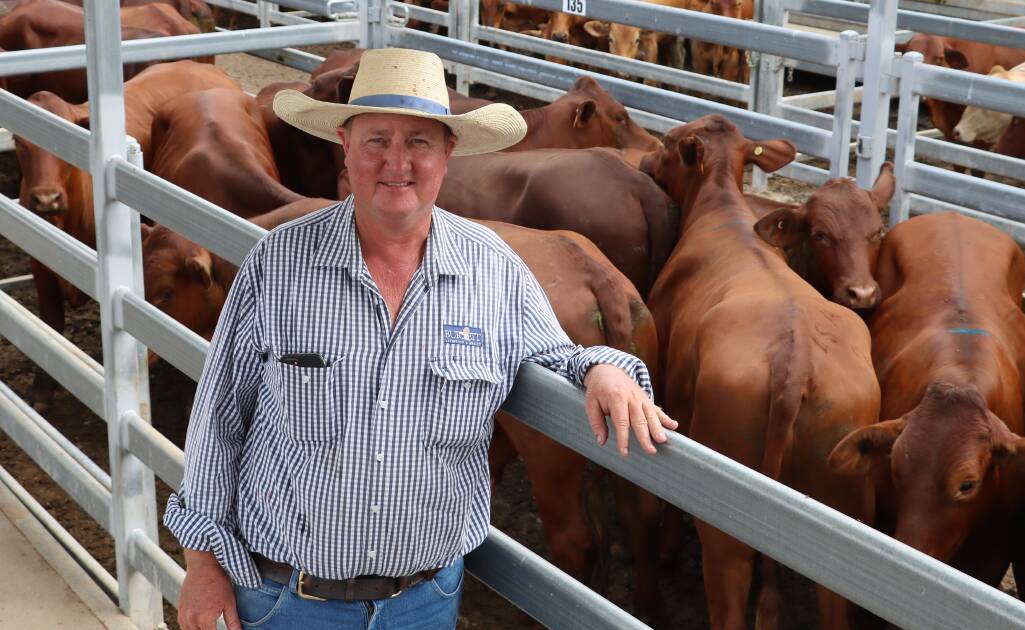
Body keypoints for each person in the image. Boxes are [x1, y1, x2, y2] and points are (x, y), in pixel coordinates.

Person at [165, 47, 676, 630]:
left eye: (419, 142)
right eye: (376, 140)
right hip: (286, 598)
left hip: (424, 603)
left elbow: (556, 353)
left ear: (448, 151)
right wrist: (203, 565)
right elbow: (219, 418)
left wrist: (603, 369)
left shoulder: (494, 270)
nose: (396, 162)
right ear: (345, 144)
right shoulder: (277, 264)